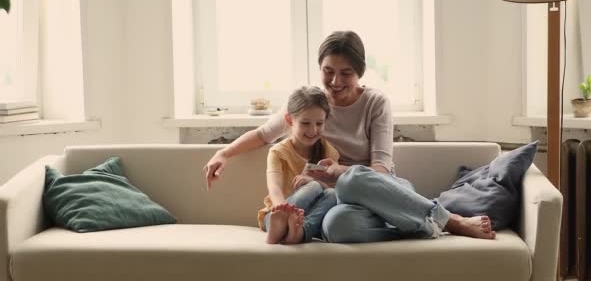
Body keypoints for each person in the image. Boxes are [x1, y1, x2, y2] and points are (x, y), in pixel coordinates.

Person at [204, 30, 496, 242]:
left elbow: (381, 168)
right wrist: (224, 153)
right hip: (341, 203)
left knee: (352, 178)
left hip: (379, 188)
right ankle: (416, 224)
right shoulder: (311, 103)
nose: (335, 81)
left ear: (360, 72)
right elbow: (264, 134)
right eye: (328, 71)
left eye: (346, 73)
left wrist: (338, 172)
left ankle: (449, 220)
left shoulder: (375, 103)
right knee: (336, 227)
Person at [258, 86, 339, 244]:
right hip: (276, 214)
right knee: (314, 188)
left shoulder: (329, 152)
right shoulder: (278, 152)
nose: (313, 130)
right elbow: (274, 188)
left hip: (307, 218)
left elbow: (333, 190)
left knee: (332, 194)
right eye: (305, 123)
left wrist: (315, 182)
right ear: (290, 120)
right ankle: (281, 227)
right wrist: (282, 210)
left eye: (319, 123)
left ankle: (299, 232)